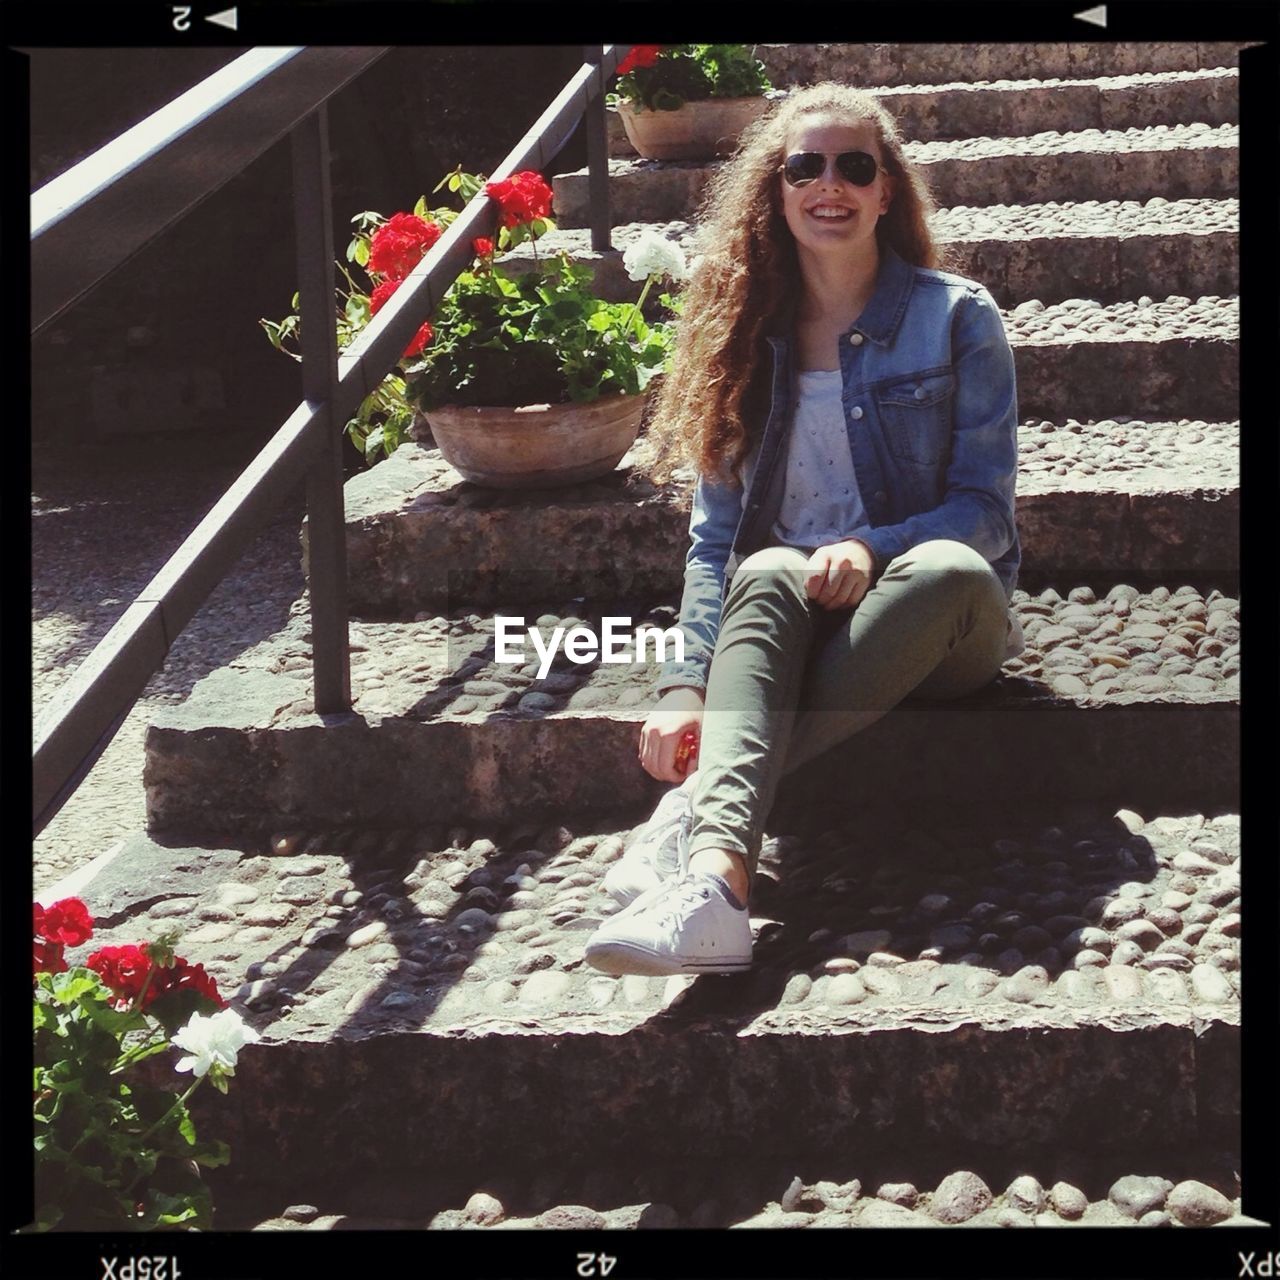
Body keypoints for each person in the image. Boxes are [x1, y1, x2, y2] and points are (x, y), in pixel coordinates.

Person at [585, 82, 1023, 978]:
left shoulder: (956, 317)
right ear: (775, 190)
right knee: (765, 569)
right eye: (806, 167)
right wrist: (683, 682)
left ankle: (690, 814)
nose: (832, 185)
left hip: (935, 617)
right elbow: (716, 542)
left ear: (886, 191)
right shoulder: (742, 333)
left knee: (942, 566)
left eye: (855, 167)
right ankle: (715, 893)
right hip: (783, 620)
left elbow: (984, 513)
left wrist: (873, 547)